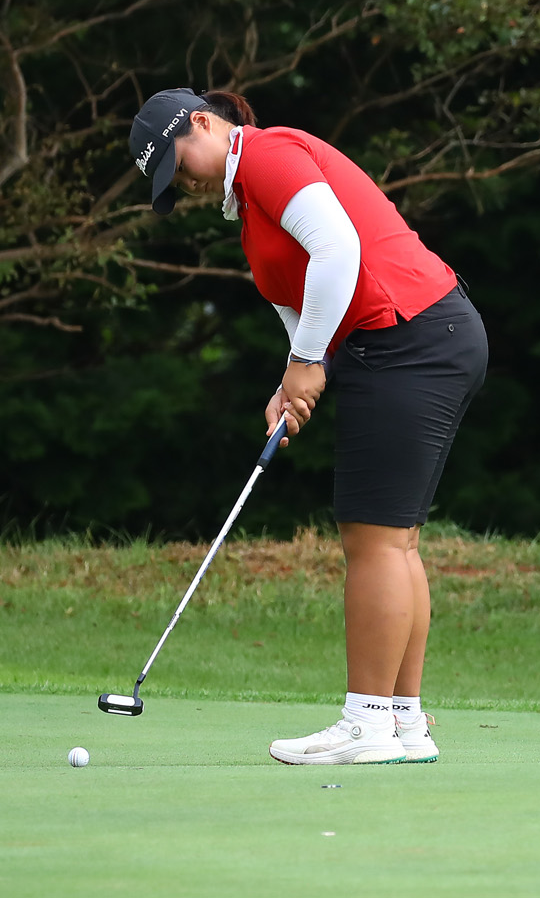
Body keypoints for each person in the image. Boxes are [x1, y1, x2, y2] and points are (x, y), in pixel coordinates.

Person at [128, 87, 488, 766]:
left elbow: (339, 250)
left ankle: (367, 724)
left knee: (374, 538)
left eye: (180, 163)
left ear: (202, 122)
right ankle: (404, 725)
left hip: (408, 335)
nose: (189, 183)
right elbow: (304, 321)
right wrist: (290, 384)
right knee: (395, 539)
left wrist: (305, 364)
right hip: (422, 335)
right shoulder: (255, 215)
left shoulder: (265, 153)